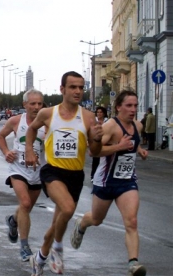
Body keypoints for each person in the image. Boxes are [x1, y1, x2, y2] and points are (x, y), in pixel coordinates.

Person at [24, 71, 103, 275]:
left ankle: (39, 258)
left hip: (75, 175)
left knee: (57, 222)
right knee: (67, 209)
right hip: (53, 172)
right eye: (73, 87)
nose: (78, 91)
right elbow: (31, 130)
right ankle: (57, 250)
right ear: (62, 89)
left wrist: (96, 138)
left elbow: (94, 152)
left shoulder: (88, 117)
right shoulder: (48, 113)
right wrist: (29, 151)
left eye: (81, 87)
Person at [70, 90, 148, 276]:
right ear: (118, 107)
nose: (133, 110)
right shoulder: (110, 126)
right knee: (96, 220)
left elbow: (133, 142)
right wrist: (118, 147)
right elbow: (94, 152)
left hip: (127, 181)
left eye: (135, 106)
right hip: (106, 181)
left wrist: (139, 150)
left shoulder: (138, 126)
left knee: (132, 221)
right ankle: (82, 224)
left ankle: (133, 263)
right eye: (129, 106)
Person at [0, 89, 46, 262]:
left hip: (38, 171)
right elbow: (0, 136)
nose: (36, 107)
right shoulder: (16, 121)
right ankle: (24, 246)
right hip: (18, 168)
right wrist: (6, 152)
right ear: (25, 104)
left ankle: (12, 220)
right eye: (33, 103)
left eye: (40, 103)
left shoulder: (47, 124)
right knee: (24, 203)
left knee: (26, 208)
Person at [90, 106, 108, 181]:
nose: (99, 113)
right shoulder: (94, 121)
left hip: (105, 142)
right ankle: (93, 176)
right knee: (96, 159)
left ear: (104, 114)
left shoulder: (107, 121)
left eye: (101, 112)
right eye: (98, 112)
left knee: (104, 160)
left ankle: (104, 175)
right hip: (96, 142)